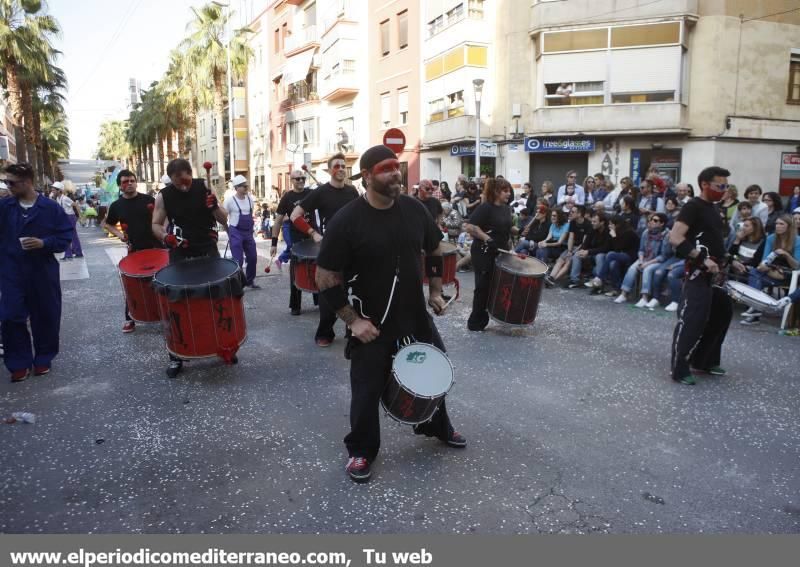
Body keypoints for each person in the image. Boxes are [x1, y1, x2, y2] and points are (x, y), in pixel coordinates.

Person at [315, 144, 466, 483]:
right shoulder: (347, 221)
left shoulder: (414, 209)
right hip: (373, 321)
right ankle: (361, 450)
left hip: (414, 315)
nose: (395, 173)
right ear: (367, 176)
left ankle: (437, 426)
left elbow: (434, 249)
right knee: (367, 388)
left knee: (434, 374)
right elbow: (324, 277)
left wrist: (436, 291)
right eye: (385, 169)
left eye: (396, 167)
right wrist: (353, 321)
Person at [151, 158, 229, 378]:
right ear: (171, 180)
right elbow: (156, 224)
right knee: (177, 302)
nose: (183, 186)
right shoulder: (164, 195)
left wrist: (214, 207)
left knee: (215, 299)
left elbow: (224, 220)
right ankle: (176, 356)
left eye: (185, 181)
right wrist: (166, 237)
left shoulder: (204, 186)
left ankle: (223, 345)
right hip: (180, 249)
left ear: (191, 174)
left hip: (207, 248)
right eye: (178, 183)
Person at [1, 163, 73, 382]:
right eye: (6, 182)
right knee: (10, 316)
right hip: (11, 270)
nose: (8, 186)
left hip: (42, 270)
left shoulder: (50, 208)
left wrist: (44, 243)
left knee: (46, 315)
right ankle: (18, 362)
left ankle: (43, 358)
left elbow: (65, 237)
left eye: (12, 182)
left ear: (28, 182)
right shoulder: (4, 207)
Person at [668, 166, 733, 386]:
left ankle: (704, 360)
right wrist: (701, 259)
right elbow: (676, 237)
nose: (723, 190)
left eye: (725, 186)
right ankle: (679, 367)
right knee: (692, 319)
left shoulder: (715, 209)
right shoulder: (693, 207)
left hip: (716, 271)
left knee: (722, 313)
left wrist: (729, 259)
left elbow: (712, 238)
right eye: (719, 185)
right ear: (705, 184)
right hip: (698, 272)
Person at [289, 153, 359, 347]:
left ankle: (352, 329)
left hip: (353, 248)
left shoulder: (352, 191)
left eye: (344, 166)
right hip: (331, 248)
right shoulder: (320, 193)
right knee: (329, 292)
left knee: (353, 289)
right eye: (337, 166)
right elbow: (295, 215)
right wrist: (313, 233)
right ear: (329, 170)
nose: (341, 169)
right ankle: (325, 332)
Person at [101, 169, 162, 333]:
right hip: (135, 249)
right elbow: (107, 224)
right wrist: (121, 235)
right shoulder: (116, 205)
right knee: (133, 284)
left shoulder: (149, 199)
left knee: (162, 281)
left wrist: (163, 232)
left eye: (131, 180)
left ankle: (166, 315)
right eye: (125, 182)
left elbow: (162, 216)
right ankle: (130, 318)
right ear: (120, 186)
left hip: (157, 246)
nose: (129, 184)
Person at [463, 178, 513, 331]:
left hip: (500, 251)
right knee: (483, 286)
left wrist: (517, 232)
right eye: (505, 191)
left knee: (496, 285)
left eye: (509, 190)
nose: (508, 193)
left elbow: (505, 229)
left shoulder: (506, 208)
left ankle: (494, 314)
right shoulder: (485, 207)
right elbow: (469, 227)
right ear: (496, 192)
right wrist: (487, 238)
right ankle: (475, 322)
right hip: (483, 252)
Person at [740, 214, 800, 325]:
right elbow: (765, 259)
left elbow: (797, 265)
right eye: (776, 223)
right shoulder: (771, 238)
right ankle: (756, 308)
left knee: (757, 275)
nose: (778, 226)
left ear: (789, 226)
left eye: (781, 224)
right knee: (754, 273)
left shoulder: (797, 241)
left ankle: (755, 309)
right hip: (773, 271)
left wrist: (786, 254)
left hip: (790, 275)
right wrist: (764, 266)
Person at [272, 170, 315, 315]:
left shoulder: (312, 193)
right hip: (297, 240)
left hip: (313, 237)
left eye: (303, 178)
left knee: (318, 270)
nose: (301, 181)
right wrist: (273, 243)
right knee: (296, 272)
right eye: (298, 179)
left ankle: (319, 300)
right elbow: (278, 221)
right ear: (292, 180)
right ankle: (295, 305)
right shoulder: (287, 197)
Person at [615, 213, 671, 307]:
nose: (652, 222)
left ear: (662, 224)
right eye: (651, 220)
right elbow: (641, 250)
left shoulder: (666, 235)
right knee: (633, 268)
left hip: (657, 261)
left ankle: (644, 297)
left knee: (647, 269)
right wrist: (641, 260)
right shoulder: (646, 232)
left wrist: (647, 263)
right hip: (645, 258)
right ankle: (624, 294)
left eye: (655, 220)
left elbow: (663, 256)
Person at [223, 175, 260, 289]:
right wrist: (229, 233)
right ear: (236, 187)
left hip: (248, 232)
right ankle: (238, 283)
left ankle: (250, 280)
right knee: (238, 260)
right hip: (235, 231)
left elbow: (251, 214)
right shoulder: (229, 201)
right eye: (243, 186)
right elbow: (223, 218)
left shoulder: (250, 199)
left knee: (253, 257)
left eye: (246, 186)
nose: (246, 188)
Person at [53, 181, 83, 260]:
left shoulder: (65, 198)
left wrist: (80, 216)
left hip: (70, 217)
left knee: (70, 235)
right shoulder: (58, 198)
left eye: (54, 190)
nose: (52, 191)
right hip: (66, 217)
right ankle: (75, 252)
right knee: (70, 235)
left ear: (59, 190)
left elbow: (75, 205)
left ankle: (71, 253)